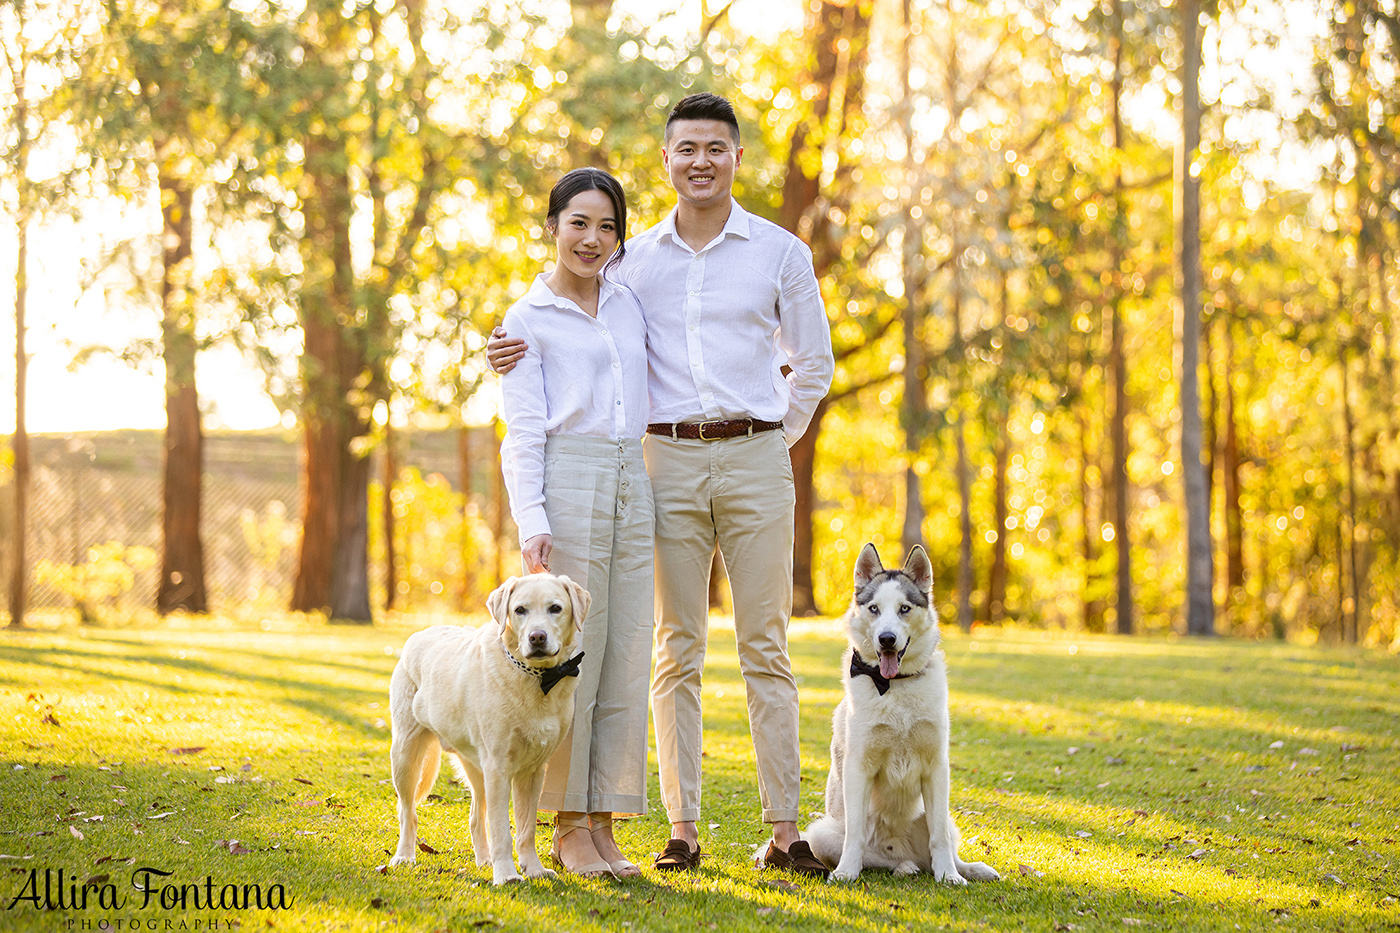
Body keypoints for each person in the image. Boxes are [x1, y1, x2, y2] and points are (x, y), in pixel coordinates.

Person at [490, 93, 835, 877]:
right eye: (687, 148)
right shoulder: (632, 261)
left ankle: (785, 830)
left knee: (766, 647)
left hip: (752, 456)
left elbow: (812, 362)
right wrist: (503, 344)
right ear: (669, 159)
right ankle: (681, 827)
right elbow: (557, 314)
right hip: (663, 463)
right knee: (672, 648)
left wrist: (770, 437)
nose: (701, 160)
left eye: (717, 147)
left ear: (738, 157)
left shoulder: (778, 251)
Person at [497, 167, 653, 880]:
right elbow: (523, 430)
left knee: (622, 650)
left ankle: (603, 817)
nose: (592, 238)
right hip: (569, 476)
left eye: (607, 226)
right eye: (579, 222)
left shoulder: (628, 301)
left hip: (630, 476)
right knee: (568, 662)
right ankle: (564, 824)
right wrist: (532, 518)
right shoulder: (526, 320)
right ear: (553, 226)